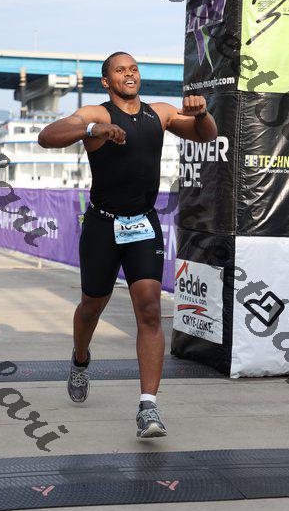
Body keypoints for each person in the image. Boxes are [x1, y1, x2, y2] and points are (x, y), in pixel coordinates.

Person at [38, 52, 218, 438]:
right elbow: (47, 137)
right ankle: (80, 360)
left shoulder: (160, 113)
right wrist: (93, 131)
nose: (130, 74)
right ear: (107, 82)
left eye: (133, 68)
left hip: (143, 224)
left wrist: (202, 113)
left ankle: (148, 407)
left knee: (150, 310)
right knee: (91, 306)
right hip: (102, 226)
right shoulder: (96, 114)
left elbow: (206, 135)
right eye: (120, 70)